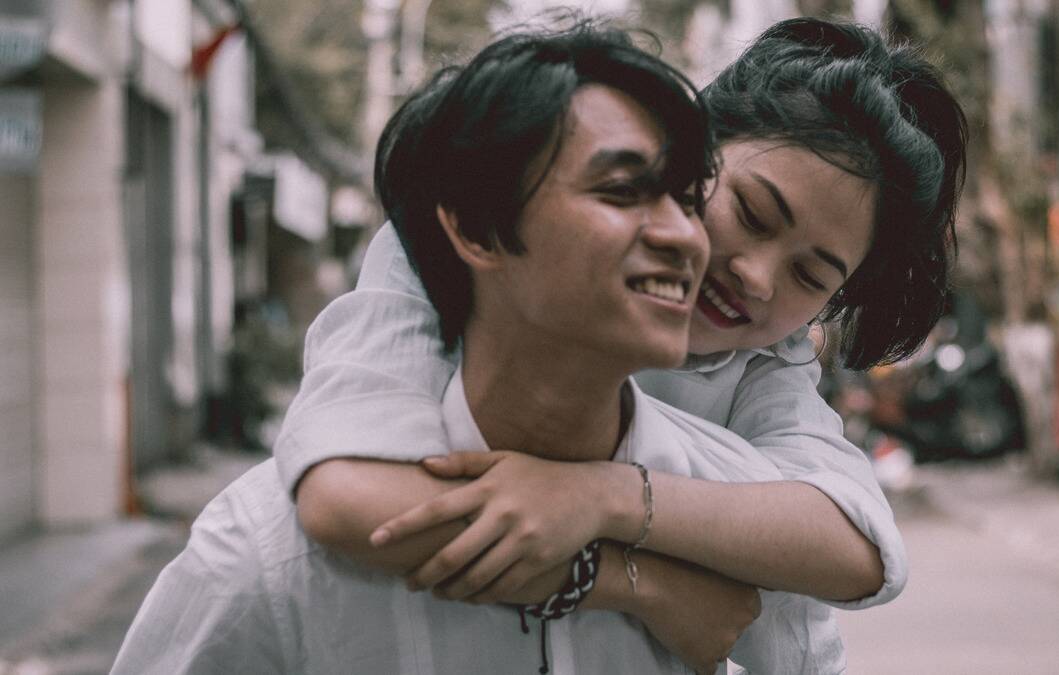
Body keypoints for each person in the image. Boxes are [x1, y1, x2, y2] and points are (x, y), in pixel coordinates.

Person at [113, 21, 845, 674]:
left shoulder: (733, 527)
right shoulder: (270, 560)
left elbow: (859, 554)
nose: (685, 238)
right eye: (623, 192)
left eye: (688, 199)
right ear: (476, 228)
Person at [281, 14, 966, 664]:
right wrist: (643, 583)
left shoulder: (763, 357)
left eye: (810, 276)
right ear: (691, 151)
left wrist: (601, 496)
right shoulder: (459, 241)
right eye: (751, 214)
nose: (756, 277)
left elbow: (860, 548)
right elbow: (346, 495)